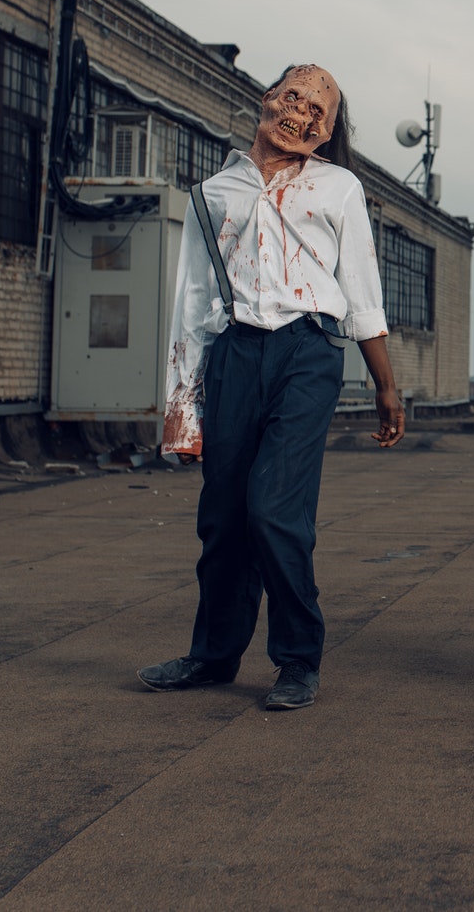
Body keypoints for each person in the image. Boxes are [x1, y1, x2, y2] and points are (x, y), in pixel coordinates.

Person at [138, 63, 405, 711]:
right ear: (267, 97)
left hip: (307, 353)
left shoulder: (339, 188)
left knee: (274, 508)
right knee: (224, 515)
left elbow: (363, 294)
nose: (302, 113)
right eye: (294, 97)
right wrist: (181, 410)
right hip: (234, 352)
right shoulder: (215, 191)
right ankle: (212, 655)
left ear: (328, 130)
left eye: (319, 111)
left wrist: (386, 387)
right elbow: (193, 302)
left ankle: (297, 657)